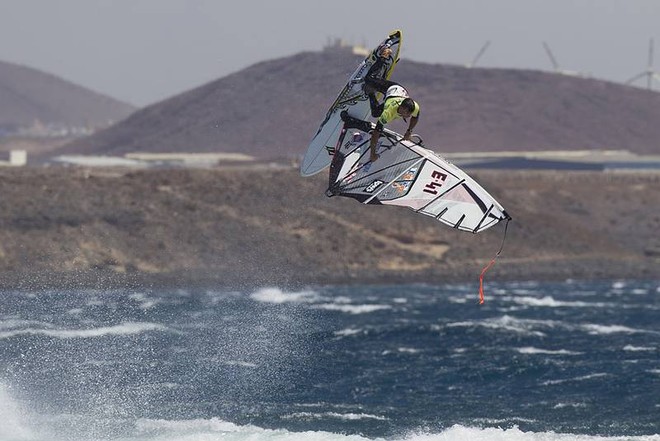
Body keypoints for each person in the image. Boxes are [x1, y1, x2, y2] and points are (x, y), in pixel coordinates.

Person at [362, 49, 420, 163]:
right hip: (392, 89)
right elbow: (376, 133)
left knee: (375, 113)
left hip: (399, 94)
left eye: (409, 114)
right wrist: (372, 154)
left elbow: (416, 116)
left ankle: (372, 90)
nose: (408, 116)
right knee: (368, 79)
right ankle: (384, 56)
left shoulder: (414, 107)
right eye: (407, 113)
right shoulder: (388, 112)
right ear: (402, 108)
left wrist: (409, 131)